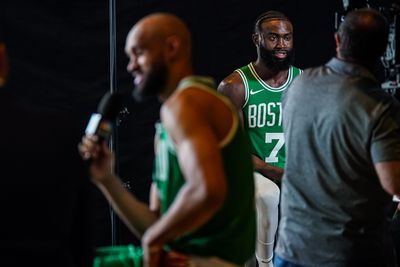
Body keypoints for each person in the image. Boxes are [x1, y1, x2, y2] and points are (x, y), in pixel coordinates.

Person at [78, 13, 256, 267]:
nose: (131, 66)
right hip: (182, 255)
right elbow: (157, 224)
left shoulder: (187, 101)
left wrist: (153, 239)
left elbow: (208, 190)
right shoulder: (170, 120)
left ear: (171, 48)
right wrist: (107, 179)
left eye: (138, 53)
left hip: (206, 260)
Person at [275, 8, 400, 267]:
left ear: (338, 41)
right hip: (349, 255)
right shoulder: (380, 106)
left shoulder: (298, 86)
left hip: (292, 249)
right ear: (383, 50)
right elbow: (393, 183)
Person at [217, 10, 301, 267]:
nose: (281, 45)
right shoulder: (235, 85)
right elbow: (232, 151)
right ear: (257, 39)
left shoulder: (303, 82)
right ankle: (265, 264)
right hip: (252, 172)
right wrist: (276, 172)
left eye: (287, 38)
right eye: (273, 38)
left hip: (291, 172)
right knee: (268, 195)